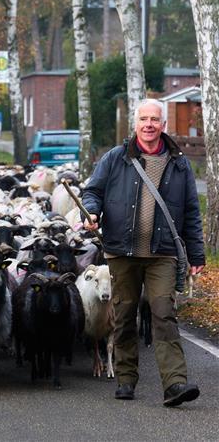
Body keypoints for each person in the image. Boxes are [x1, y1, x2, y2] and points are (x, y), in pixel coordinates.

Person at [82, 98, 204, 407]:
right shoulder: (115, 158)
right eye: (143, 119)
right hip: (121, 252)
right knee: (124, 315)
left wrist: (197, 255)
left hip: (162, 253)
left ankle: (175, 384)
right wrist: (91, 212)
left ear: (164, 125)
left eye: (155, 120)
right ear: (135, 124)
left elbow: (191, 211)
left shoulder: (179, 163)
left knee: (163, 312)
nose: (148, 124)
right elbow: (92, 192)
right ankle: (125, 378)